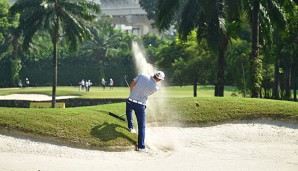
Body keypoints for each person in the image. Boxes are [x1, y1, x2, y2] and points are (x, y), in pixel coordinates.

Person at [126, 71, 165, 152]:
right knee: (142, 126)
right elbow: (146, 94)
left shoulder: (142, 75)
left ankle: (131, 127)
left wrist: (132, 91)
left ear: (154, 74)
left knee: (129, 110)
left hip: (130, 101)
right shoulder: (155, 88)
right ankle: (141, 147)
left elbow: (132, 84)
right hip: (140, 106)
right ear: (159, 80)